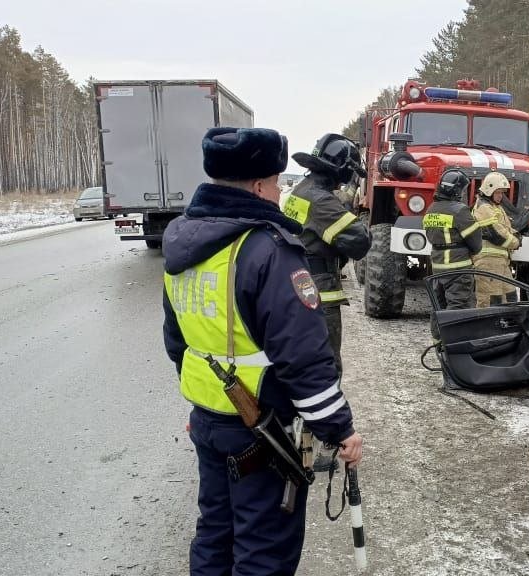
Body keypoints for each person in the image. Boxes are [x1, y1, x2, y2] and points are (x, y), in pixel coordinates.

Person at [161, 126, 364, 576]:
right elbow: (304, 358)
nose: (278, 192)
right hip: (260, 426)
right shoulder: (267, 250)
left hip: (211, 420)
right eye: (275, 182)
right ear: (257, 186)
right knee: (263, 548)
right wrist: (339, 430)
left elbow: (178, 341)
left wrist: (201, 405)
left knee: (215, 532)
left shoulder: (182, 244)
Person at [285, 133, 371, 379]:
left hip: (301, 282)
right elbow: (359, 241)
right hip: (319, 290)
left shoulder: (302, 190)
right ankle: (326, 415)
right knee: (326, 366)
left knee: (306, 362)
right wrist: (349, 213)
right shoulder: (321, 201)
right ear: (343, 169)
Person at [424, 168, 484, 310]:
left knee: (438, 307)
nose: (463, 193)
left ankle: (438, 332)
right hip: (458, 269)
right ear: (456, 191)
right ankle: (457, 333)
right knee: (458, 307)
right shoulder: (460, 210)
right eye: (462, 190)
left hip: (438, 267)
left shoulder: (431, 209)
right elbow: (476, 245)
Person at [471, 172, 521, 307]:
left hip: (500, 261)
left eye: (502, 193)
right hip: (488, 261)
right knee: (490, 301)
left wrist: (516, 234)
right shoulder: (484, 208)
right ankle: (485, 327)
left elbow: (506, 229)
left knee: (509, 297)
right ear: (489, 190)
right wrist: (516, 242)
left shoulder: (495, 207)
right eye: (498, 192)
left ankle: (506, 326)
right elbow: (497, 234)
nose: (501, 196)